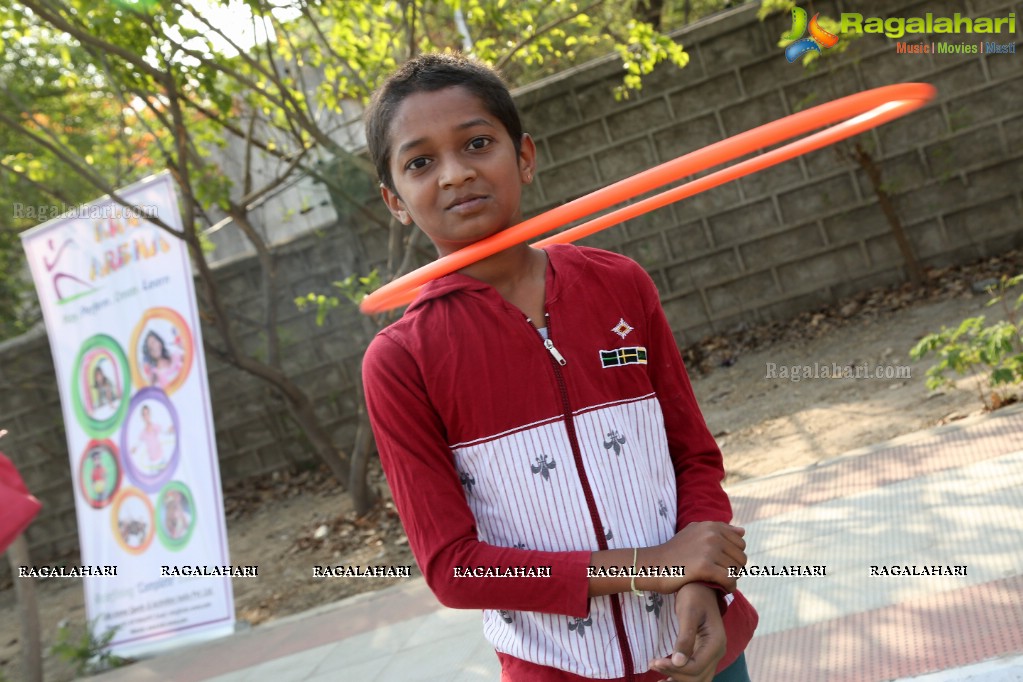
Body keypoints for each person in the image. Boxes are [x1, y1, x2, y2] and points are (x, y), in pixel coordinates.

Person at [362, 53, 758, 682]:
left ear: (524, 156)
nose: (456, 173)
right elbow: (456, 569)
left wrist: (700, 580)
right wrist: (651, 565)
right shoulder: (402, 360)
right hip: (559, 669)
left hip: (701, 640)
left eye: (477, 143)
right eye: (420, 162)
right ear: (395, 200)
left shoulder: (620, 285)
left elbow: (693, 458)